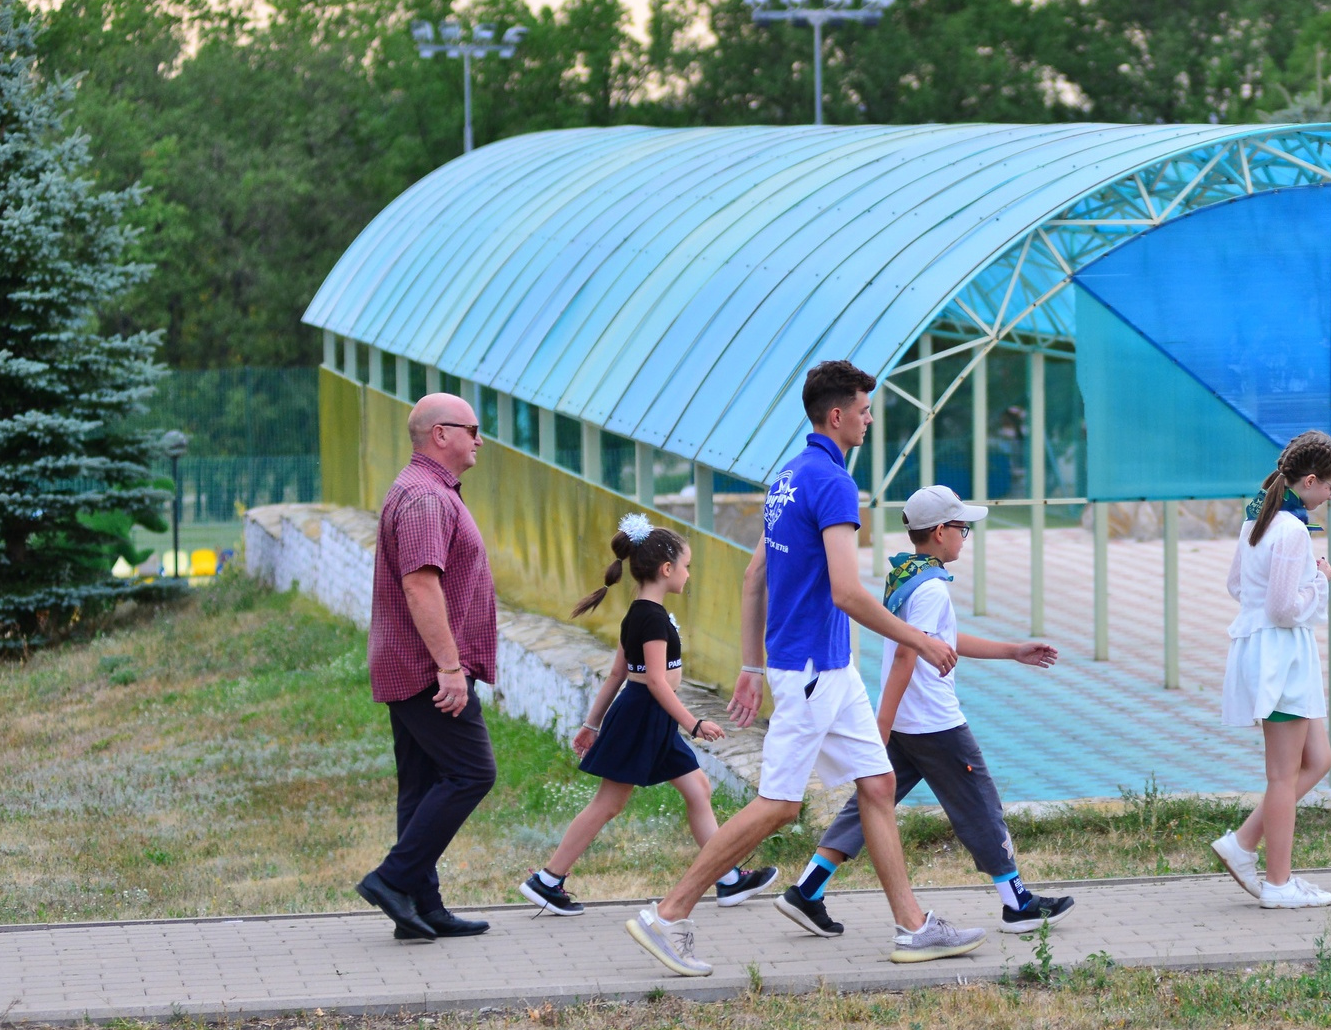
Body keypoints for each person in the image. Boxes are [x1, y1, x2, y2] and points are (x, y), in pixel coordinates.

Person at [621, 360, 983, 977]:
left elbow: (755, 574)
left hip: (820, 667)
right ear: (837, 416)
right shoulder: (834, 484)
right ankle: (668, 915)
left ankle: (913, 927)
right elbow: (846, 591)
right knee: (780, 805)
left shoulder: (787, 477)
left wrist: (751, 666)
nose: (870, 420)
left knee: (878, 784)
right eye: (865, 411)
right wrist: (920, 639)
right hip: (817, 668)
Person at [779, 485, 1073, 937]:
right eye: (962, 528)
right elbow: (905, 655)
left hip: (905, 723)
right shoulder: (932, 585)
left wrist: (1013, 650)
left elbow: (940, 641)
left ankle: (807, 888)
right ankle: (1018, 904)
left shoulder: (907, 574)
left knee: (869, 805)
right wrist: (880, 725)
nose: (964, 536)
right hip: (934, 722)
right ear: (940, 531)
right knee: (980, 804)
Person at [516, 516, 778, 916]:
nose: (689, 574)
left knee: (698, 788)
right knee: (608, 804)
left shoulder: (641, 613)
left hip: (652, 719)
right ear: (667, 569)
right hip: (643, 717)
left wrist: (591, 724)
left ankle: (726, 878)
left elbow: (620, 674)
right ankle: (548, 880)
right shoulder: (651, 618)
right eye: (686, 566)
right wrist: (694, 723)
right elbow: (655, 682)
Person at [357, 393, 500, 942]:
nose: (479, 439)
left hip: (411, 662)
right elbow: (420, 585)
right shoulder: (424, 498)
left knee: (421, 785)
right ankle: (392, 880)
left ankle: (420, 905)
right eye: (472, 429)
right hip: (426, 668)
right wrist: (449, 668)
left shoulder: (428, 492)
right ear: (441, 434)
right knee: (471, 773)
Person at [1207, 431, 1331, 909]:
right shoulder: (1288, 529)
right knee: (1283, 776)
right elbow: (1286, 609)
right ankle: (1278, 883)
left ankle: (1242, 844)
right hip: (1280, 656)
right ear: (1310, 481)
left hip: (1274, 652)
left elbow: (1235, 584)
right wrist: (1319, 579)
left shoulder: (1258, 521)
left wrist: (1288, 590)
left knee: (1319, 758)